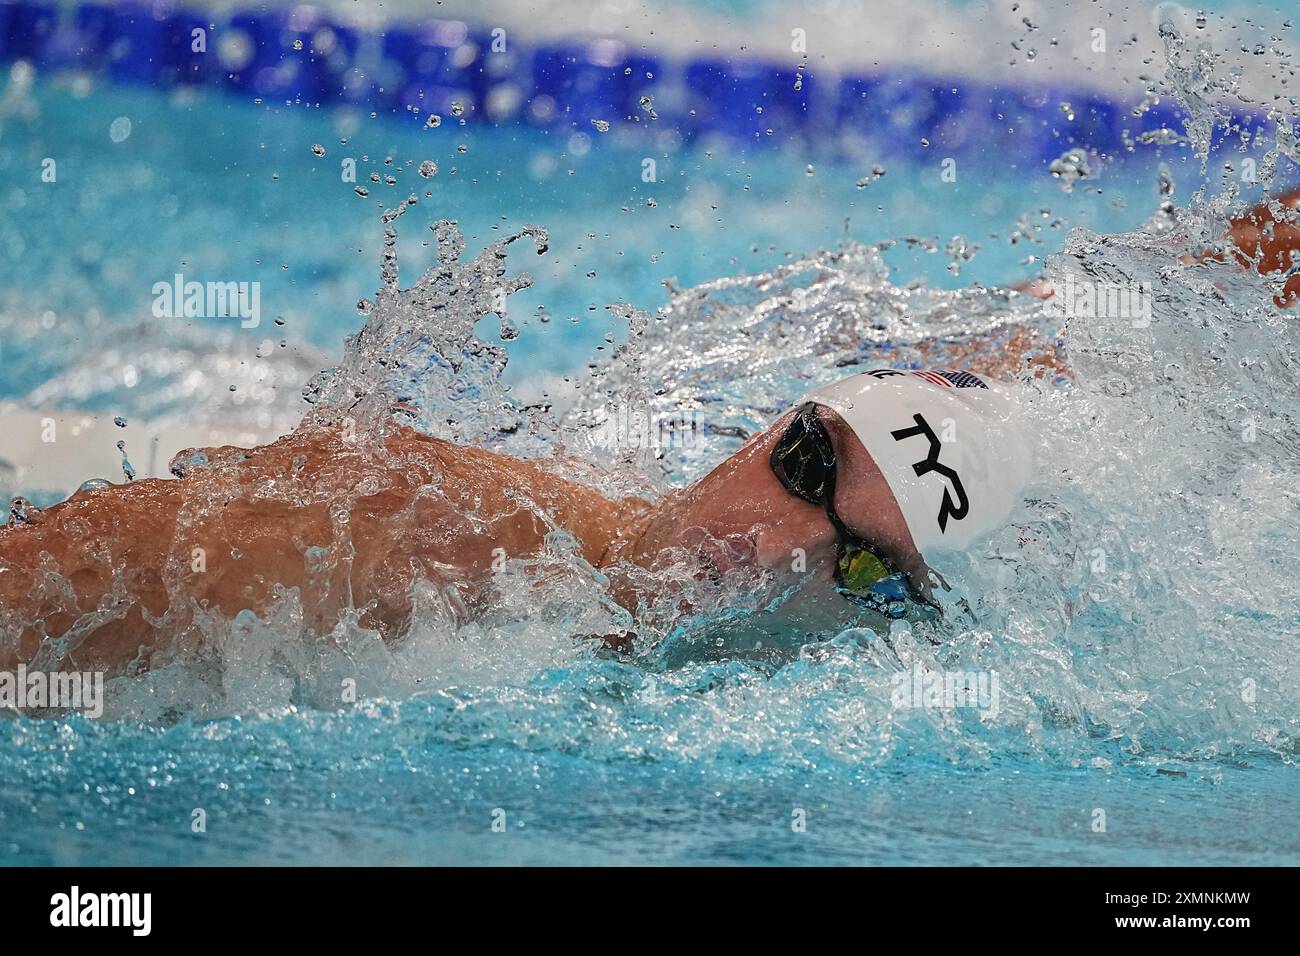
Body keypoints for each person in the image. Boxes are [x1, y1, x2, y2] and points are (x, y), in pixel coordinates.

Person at [1, 190, 1296, 677]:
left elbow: (1078, 345)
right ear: (768, 431)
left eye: (854, 567)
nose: (775, 547)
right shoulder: (450, 542)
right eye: (803, 467)